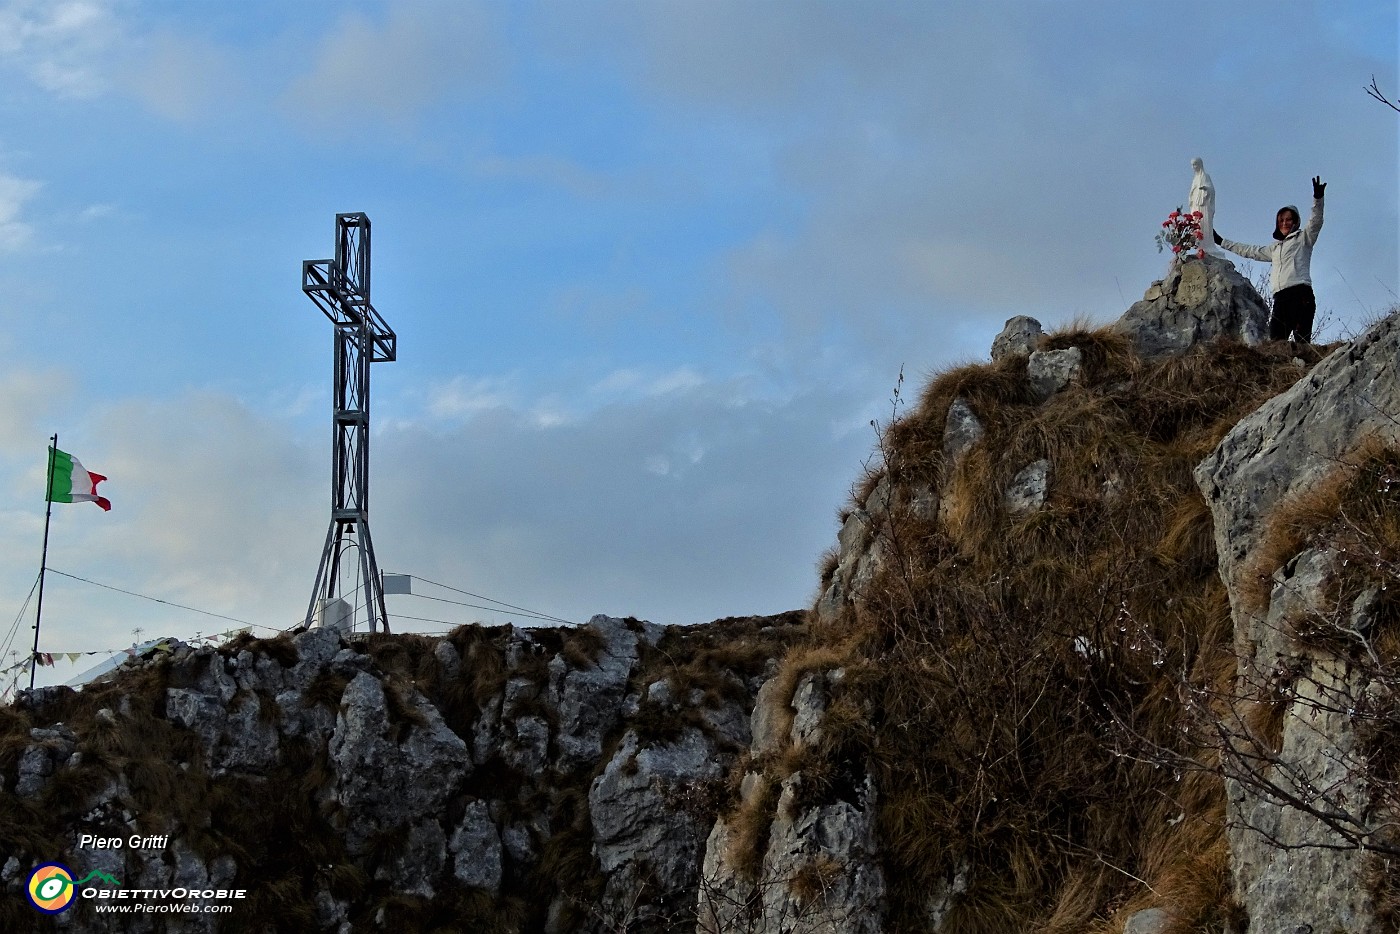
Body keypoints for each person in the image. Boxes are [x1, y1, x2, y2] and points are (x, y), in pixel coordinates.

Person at [1215, 176, 1325, 342]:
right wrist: (1222, 242)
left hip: (1300, 294)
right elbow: (1249, 251)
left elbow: (1315, 221)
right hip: (1280, 299)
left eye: (1288, 219)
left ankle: (1305, 366)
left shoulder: (1304, 238)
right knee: (1275, 343)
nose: (1285, 223)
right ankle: (1287, 369)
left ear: (1295, 221)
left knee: (1302, 341)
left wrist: (1318, 198)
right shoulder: (1274, 249)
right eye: (1281, 220)